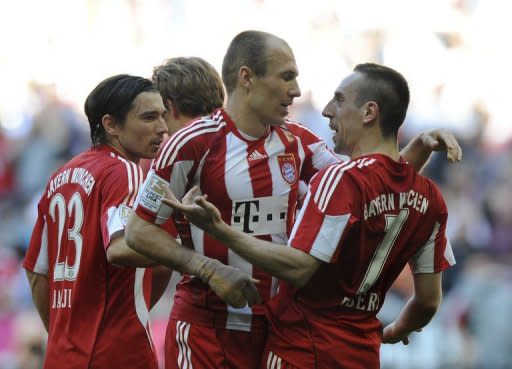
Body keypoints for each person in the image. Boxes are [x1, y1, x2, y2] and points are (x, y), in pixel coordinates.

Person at [125, 31, 461, 369]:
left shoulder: (300, 142)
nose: (296, 90)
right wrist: (207, 268)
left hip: (275, 334)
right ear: (247, 78)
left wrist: (415, 150)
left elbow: (366, 186)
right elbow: (139, 231)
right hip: (206, 330)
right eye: (287, 77)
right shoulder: (191, 143)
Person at [23, 74, 169, 369]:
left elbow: (37, 272)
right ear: (110, 124)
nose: (163, 128)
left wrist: (62, 334)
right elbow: (143, 253)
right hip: (117, 352)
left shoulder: (59, 178)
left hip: (62, 355)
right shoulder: (126, 172)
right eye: (149, 117)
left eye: (163, 116)